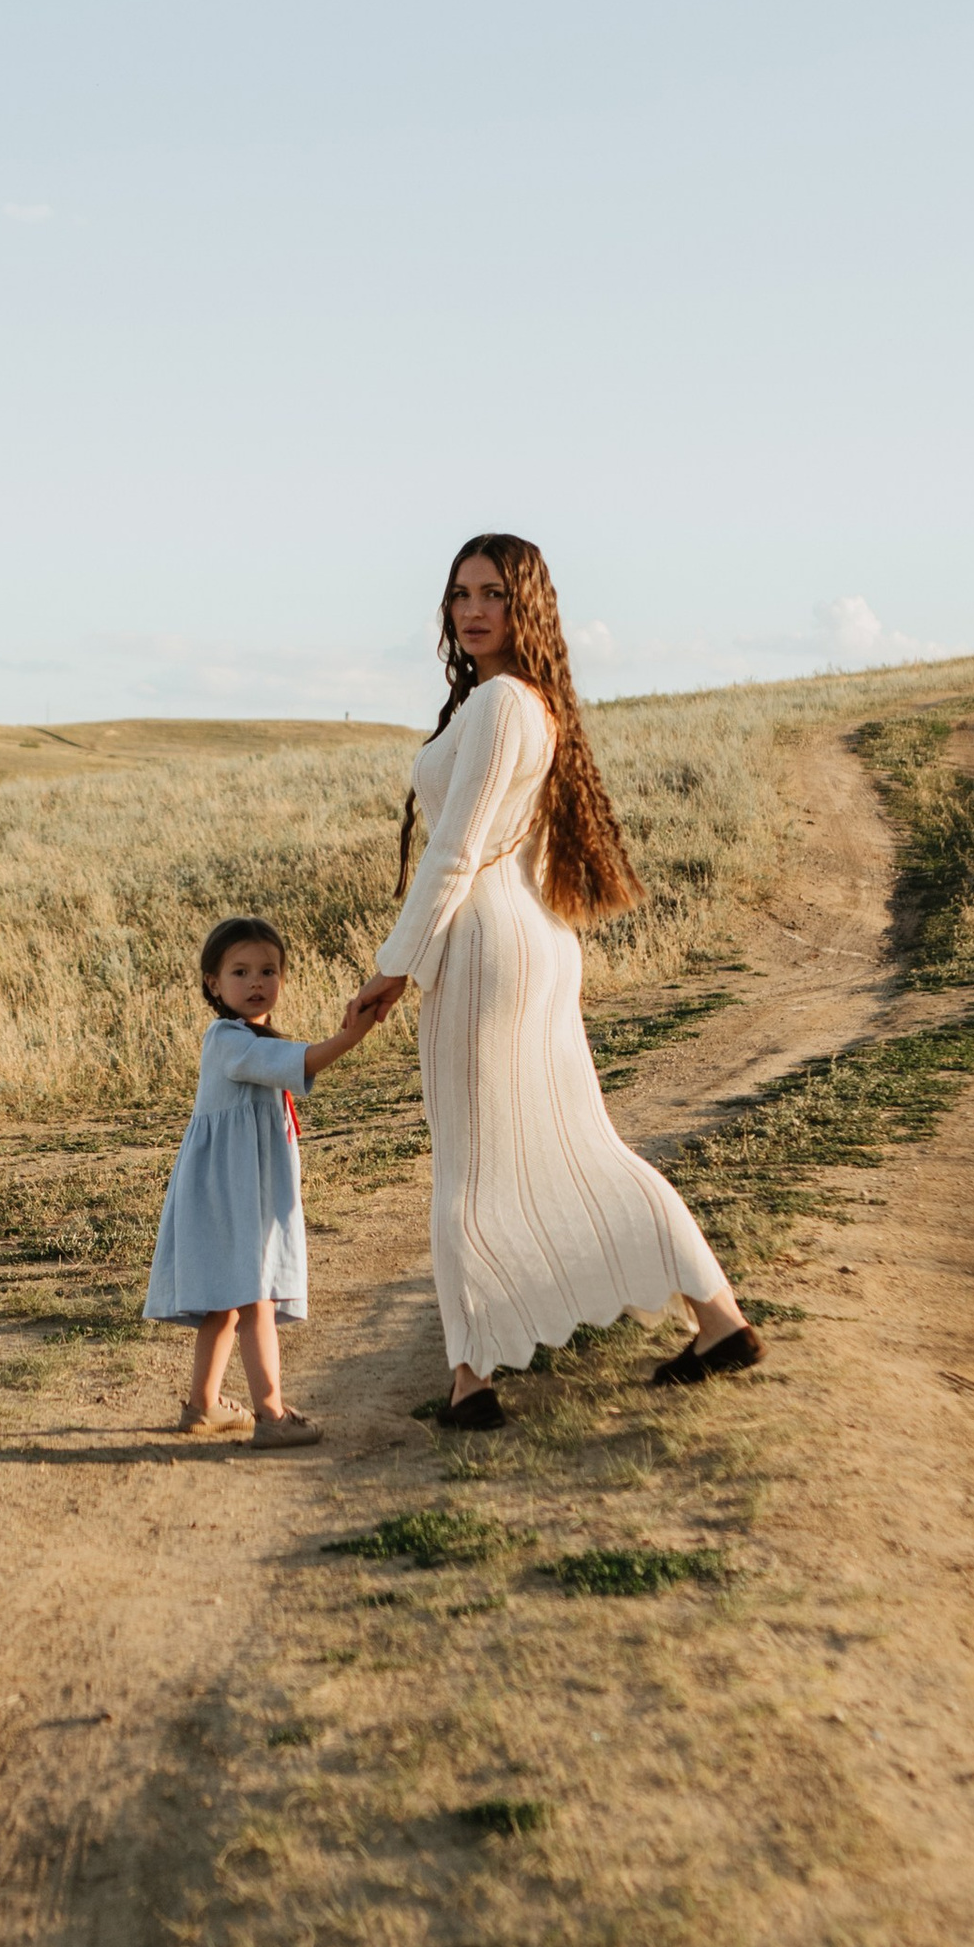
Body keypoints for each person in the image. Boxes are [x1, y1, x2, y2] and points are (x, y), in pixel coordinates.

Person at [352, 534, 763, 1431]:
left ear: (524, 604)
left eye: (493, 593)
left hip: (488, 948)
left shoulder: (503, 701)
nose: (471, 610)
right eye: (460, 593)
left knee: (469, 1163)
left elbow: (458, 851)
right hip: (528, 938)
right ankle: (717, 1321)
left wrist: (394, 964)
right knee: (575, 1143)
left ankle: (472, 1383)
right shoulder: (524, 702)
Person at [145, 913, 385, 1450]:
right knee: (256, 1300)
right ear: (213, 983)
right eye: (240, 972)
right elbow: (308, 1059)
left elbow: (289, 1065)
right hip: (230, 1191)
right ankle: (272, 1414)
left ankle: (203, 1406)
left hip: (235, 1187)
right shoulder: (229, 1041)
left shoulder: (249, 1038)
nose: (257, 982)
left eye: (268, 971)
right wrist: (354, 1033)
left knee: (229, 1302)